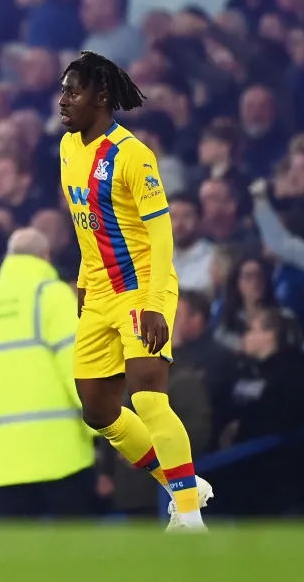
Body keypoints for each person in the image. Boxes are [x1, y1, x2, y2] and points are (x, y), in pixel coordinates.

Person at [57, 51, 212, 531]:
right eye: (62, 90)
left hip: (141, 288)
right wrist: (84, 280)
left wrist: (153, 303)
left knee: (148, 398)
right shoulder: (67, 149)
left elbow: (162, 234)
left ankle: (188, 515)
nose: (63, 100)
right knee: (98, 411)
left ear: (101, 97)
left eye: (73, 91)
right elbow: (88, 226)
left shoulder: (133, 156)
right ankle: (181, 484)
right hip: (99, 292)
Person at [0, 228, 94, 518]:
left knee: (17, 557)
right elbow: (79, 365)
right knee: (73, 555)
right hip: (63, 455)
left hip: (3, 461)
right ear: (45, 257)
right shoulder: (54, 296)